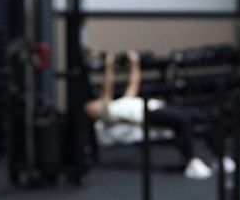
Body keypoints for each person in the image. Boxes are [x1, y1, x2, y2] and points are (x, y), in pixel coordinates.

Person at [85, 50, 231, 180]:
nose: (93, 104)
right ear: (94, 114)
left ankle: (219, 156)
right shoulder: (108, 114)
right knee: (183, 120)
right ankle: (192, 162)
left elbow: (134, 82)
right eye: (91, 107)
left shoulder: (122, 101)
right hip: (149, 115)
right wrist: (108, 65)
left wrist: (134, 61)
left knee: (205, 116)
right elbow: (107, 88)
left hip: (158, 107)